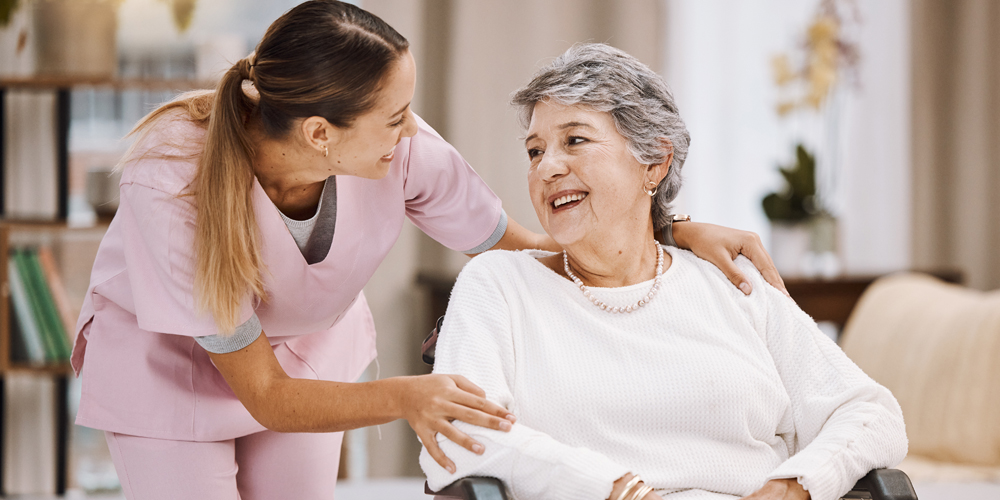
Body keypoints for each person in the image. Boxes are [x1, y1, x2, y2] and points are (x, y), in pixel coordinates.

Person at [73, 3, 787, 499]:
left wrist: (673, 231)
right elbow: (264, 395)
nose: (410, 130)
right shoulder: (171, 181)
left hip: (308, 358)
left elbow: (538, 247)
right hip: (175, 377)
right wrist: (411, 397)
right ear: (321, 133)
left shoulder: (403, 152)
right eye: (393, 116)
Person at [420, 43, 908, 500]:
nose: (547, 167)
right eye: (535, 150)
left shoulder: (729, 280)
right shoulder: (499, 286)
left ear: (653, 163)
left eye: (574, 140)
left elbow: (870, 412)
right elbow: (461, 435)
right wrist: (617, 489)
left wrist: (792, 486)